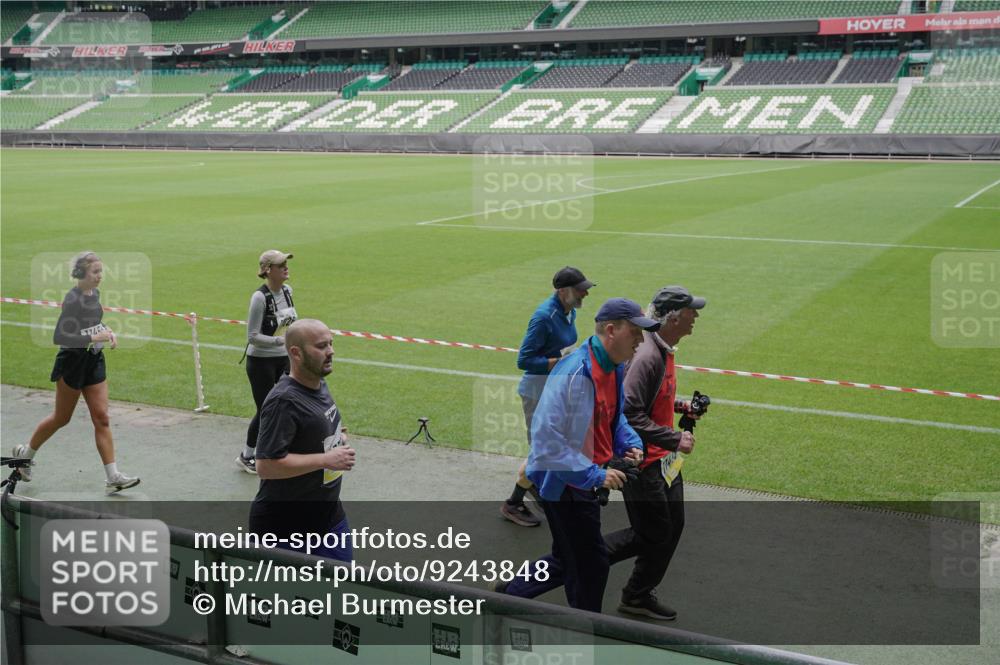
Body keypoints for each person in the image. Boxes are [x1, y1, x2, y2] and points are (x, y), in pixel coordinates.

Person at [500, 298, 660, 612]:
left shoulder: (611, 367)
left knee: (566, 558)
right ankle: (584, 630)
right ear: (611, 331)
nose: (641, 341)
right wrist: (596, 475)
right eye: (635, 332)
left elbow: (613, 416)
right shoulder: (576, 373)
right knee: (592, 567)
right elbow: (547, 443)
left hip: (578, 482)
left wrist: (628, 441)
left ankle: (508, 594)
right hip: (569, 488)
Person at [604, 285, 706, 621]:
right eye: (692, 311)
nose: (696, 317)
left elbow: (653, 402)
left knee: (672, 527)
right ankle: (584, 556)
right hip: (644, 464)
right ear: (674, 317)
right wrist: (675, 439)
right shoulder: (647, 356)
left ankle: (637, 594)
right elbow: (631, 413)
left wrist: (681, 406)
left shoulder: (663, 348)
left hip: (664, 462)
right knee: (651, 534)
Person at [12, 251, 140, 493]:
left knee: (101, 417)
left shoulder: (95, 294)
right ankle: (25, 457)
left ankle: (113, 476)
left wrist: (107, 330)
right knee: (61, 418)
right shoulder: (73, 300)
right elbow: (60, 336)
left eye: (101, 271)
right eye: (95, 272)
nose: (100, 276)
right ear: (81, 274)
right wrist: (94, 336)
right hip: (72, 363)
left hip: (93, 360)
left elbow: (92, 323)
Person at [248, 319, 356, 562]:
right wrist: (326, 459)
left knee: (340, 592)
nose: (331, 351)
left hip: (328, 518)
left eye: (331, 343)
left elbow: (309, 434)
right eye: (321, 346)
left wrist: (336, 438)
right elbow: (266, 465)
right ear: (296, 353)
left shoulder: (319, 384)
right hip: (284, 530)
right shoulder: (284, 401)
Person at [502, 266, 594, 528]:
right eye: (580, 289)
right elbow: (525, 360)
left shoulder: (569, 311)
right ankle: (514, 502)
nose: (586, 293)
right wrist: (561, 362)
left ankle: (541, 489)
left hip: (555, 390)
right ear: (563, 291)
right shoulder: (544, 317)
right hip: (537, 392)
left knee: (553, 446)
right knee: (543, 450)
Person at [237, 249, 298, 474]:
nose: (286, 267)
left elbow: (292, 321)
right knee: (266, 410)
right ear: (267, 270)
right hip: (261, 362)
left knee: (289, 404)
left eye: (286, 263)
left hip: (284, 359)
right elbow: (252, 337)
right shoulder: (259, 298)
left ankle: (280, 448)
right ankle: (247, 455)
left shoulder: (288, 291)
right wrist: (280, 342)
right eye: (280, 264)